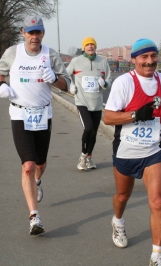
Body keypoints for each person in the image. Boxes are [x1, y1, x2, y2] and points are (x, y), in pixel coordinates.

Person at [103, 38, 161, 266]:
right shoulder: (123, 83)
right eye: (144, 57)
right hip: (126, 151)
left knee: (157, 202)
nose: (149, 62)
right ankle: (117, 221)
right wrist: (136, 115)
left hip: (152, 151)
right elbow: (108, 118)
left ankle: (156, 256)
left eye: (153, 56)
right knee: (123, 196)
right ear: (134, 60)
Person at [0, 16, 70, 235]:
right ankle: (34, 217)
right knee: (27, 164)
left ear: (43, 34)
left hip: (43, 114)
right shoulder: (12, 53)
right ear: (23, 32)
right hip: (19, 113)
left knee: (40, 164)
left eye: (38, 32)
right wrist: (1, 85)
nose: (34, 37)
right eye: (30, 32)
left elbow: (67, 86)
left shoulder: (51, 54)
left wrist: (54, 77)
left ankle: (38, 181)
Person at [66, 37, 111, 171]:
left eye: (92, 45)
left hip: (97, 103)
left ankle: (89, 158)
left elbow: (109, 79)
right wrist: (71, 86)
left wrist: (105, 83)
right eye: (88, 45)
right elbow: (65, 75)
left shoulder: (103, 62)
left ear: (95, 47)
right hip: (82, 101)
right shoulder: (76, 61)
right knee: (88, 128)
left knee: (94, 132)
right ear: (84, 48)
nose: (90, 47)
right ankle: (83, 156)